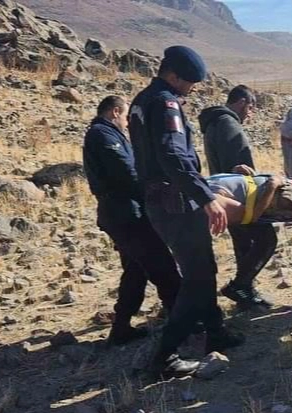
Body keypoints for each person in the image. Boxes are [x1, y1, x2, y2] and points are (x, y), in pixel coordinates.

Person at [129, 46, 244, 379]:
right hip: (175, 203)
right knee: (197, 277)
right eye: (189, 82)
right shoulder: (166, 103)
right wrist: (206, 197)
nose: (191, 89)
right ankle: (164, 356)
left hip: (162, 199)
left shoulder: (142, 100)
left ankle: (216, 333)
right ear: (174, 76)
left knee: (203, 269)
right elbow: (173, 156)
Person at [83, 96, 180, 346]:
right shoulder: (102, 135)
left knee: (136, 270)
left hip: (122, 213)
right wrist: (156, 191)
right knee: (162, 266)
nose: (127, 122)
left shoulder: (107, 134)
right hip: (126, 214)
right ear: (115, 112)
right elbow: (126, 171)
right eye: (126, 116)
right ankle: (182, 320)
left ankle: (121, 328)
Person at [199, 85, 277, 311]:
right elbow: (241, 168)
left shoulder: (214, 122)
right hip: (238, 195)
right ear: (242, 102)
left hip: (222, 193)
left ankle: (245, 293)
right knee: (266, 239)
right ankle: (240, 286)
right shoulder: (228, 124)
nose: (250, 114)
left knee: (244, 245)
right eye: (250, 108)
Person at [208, 173, 292, 224]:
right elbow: (249, 216)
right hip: (290, 200)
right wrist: (272, 187)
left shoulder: (204, 184)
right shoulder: (211, 201)